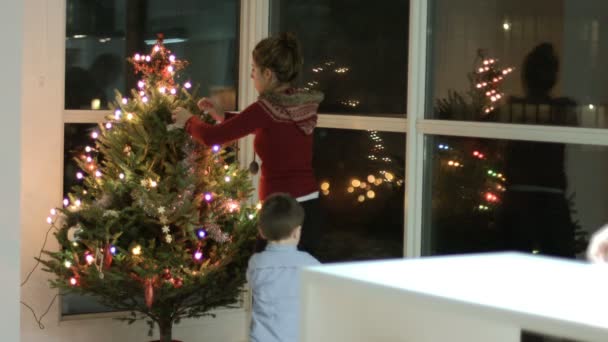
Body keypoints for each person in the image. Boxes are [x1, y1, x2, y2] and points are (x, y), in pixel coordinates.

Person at [171, 32, 324, 256]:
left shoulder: (267, 107)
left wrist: (188, 121)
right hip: (308, 205)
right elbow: (267, 128)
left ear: (268, 74)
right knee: (294, 285)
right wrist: (220, 115)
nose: (251, 75)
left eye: (254, 69)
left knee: (267, 278)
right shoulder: (296, 104)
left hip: (283, 214)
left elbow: (212, 137)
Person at [246, 193, 320, 342]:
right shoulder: (311, 264)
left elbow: (251, 283)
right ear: (296, 232)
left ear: (261, 231)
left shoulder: (256, 263)